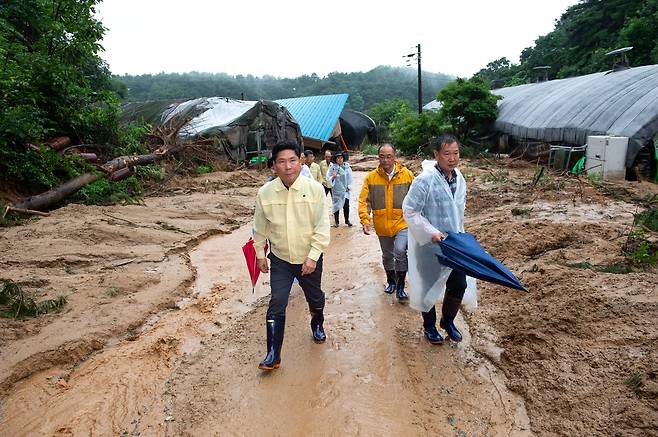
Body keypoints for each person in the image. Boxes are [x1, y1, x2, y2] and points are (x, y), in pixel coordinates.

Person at [253, 141, 331, 370]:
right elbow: (260, 227)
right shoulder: (265, 193)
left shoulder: (315, 189)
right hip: (281, 260)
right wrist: (260, 254)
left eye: (292, 160)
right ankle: (273, 354)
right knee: (276, 302)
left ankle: (317, 322)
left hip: (309, 258)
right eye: (281, 162)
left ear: (301, 161)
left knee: (315, 298)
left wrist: (313, 256)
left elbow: (322, 227)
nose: (288, 166)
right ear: (274, 166)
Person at [402, 134, 477, 345]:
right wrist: (431, 232)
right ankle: (429, 327)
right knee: (428, 289)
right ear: (436, 155)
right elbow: (410, 211)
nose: (452, 158)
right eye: (446, 154)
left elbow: (457, 212)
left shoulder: (459, 178)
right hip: (429, 245)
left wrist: (460, 236)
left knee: (458, 285)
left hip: (453, 244)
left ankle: (448, 321)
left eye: (455, 153)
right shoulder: (424, 180)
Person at [358, 143, 414, 302]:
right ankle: (391, 281)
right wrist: (365, 219)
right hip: (382, 224)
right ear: (378, 157)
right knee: (387, 255)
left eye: (389, 156)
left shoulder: (407, 175)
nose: (385, 160)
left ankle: (401, 286)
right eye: (382, 156)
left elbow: (417, 198)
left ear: (394, 157)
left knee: (400, 250)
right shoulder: (371, 178)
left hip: (402, 222)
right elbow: (364, 201)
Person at [326, 151, 353, 227]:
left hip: (345, 190)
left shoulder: (347, 167)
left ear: (343, 159)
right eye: (338, 158)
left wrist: (349, 186)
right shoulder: (333, 168)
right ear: (336, 159)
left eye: (341, 158)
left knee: (346, 205)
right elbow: (328, 178)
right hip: (337, 191)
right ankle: (336, 222)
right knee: (336, 206)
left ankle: (347, 220)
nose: (340, 159)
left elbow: (350, 178)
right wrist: (333, 177)